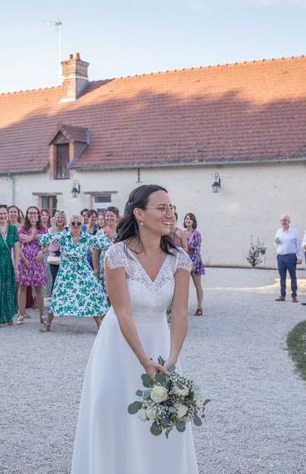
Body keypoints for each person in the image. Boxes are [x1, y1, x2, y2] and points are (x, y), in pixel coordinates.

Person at [71, 185, 198, 473]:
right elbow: (122, 310)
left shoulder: (180, 258)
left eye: (171, 208)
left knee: (163, 414)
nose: (170, 214)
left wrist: (173, 359)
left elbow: (179, 313)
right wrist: (142, 358)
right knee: (114, 411)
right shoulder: (117, 255)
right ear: (139, 214)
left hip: (161, 342)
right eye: (162, 208)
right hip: (120, 344)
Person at [39, 214, 111, 332]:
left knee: (90, 294)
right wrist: (34, 238)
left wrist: (110, 239)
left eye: (78, 223)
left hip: (82, 270)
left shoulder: (87, 237)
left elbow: (103, 244)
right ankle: (47, 323)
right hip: (66, 271)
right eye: (73, 223)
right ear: (70, 225)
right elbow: (46, 238)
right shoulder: (63, 236)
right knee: (58, 295)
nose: (76, 226)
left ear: (82, 225)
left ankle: (99, 324)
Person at [17, 206, 48, 324]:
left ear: (38, 215)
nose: (33, 215)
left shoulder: (43, 230)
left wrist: (42, 252)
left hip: (38, 261)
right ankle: (21, 315)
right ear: (27, 215)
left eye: (35, 213)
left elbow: (46, 245)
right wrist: (23, 259)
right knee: (22, 287)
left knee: (39, 288)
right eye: (30, 213)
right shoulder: (22, 229)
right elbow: (18, 246)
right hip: (25, 261)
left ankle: (42, 315)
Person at [274, 214, 302, 303]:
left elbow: (299, 245)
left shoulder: (294, 231)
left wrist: (299, 257)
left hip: (291, 257)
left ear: (289, 222)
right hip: (280, 257)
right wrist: (275, 242)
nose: (283, 222)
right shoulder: (278, 231)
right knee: (282, 277)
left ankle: (294, 295)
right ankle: (282, 295)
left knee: (293, 276)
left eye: (285, 220)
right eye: (282, 220)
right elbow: (276, 243)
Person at [91, 206, 120, 290]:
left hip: (119, 267)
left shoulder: (122, 232)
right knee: (104, 293)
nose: (109, 218)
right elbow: (95, 252)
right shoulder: (100, 233)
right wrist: (95, 268)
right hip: (103, 268)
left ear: (116, 217)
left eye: (112, 215)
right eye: (107, 216)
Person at [184, 212, 205, 316]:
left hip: (195, 262)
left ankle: (199, 307)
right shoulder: (182, 233)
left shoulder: (197, 234)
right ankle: (183, 307)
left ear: (193, 221)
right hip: (184, 262)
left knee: (197, 285)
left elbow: (197, 250)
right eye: (186, 218)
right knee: (184, 286)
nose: (188, 220)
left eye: (190, 219)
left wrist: (194, 264)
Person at [46, 211, 68, 289]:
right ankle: (53, 299)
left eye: (62, 217)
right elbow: (46, 243)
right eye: (58, 217)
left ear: (65, 219)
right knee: (55, 280)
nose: (60, 219)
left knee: (65, 280)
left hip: (65, 259)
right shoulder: (50, 230)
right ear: (55, 219)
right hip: (54, 259)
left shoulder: (68, 231)